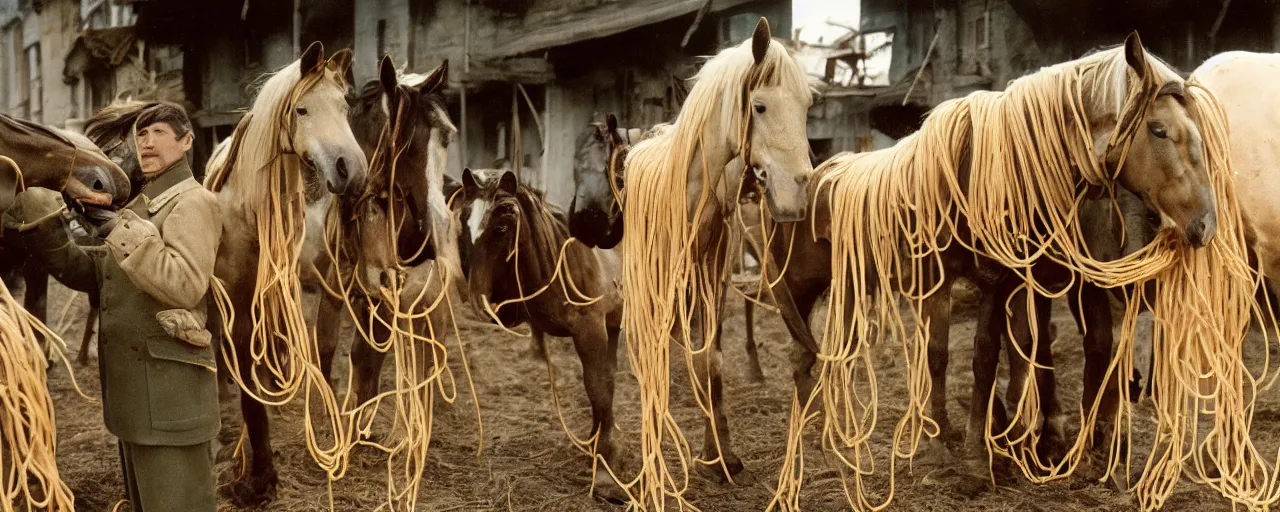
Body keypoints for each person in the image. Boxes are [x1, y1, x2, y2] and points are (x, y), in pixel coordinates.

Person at [2, 102, 222, 511]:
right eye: (141, 134)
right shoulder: (141, 207)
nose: (147, 142)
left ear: (187, 141)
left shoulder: (193, 202)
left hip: (169, 399)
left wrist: (117, 229)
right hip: (137, 398)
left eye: (159, 132)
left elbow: (185, 285)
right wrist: (46, 225)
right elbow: (95, 278)